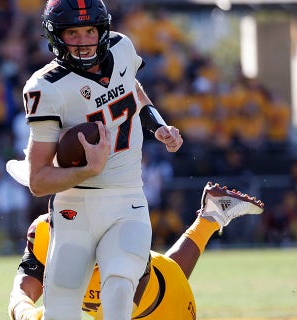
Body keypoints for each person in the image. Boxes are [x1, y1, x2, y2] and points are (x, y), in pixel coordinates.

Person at [19, 0, 183, 318]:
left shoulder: (121, 47)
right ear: (56, 36)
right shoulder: (45, 88)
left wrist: (157, 125)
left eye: (90, 30)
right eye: (73, 33)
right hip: (75, 207)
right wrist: (87, 169)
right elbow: (38, 181)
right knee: (62, 308)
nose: (84, 40)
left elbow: (131, 89)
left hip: (127, 199)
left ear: (102, 29)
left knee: (120, 286)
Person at [8, 182, 265, 320]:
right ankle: (212, 216)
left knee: (160, 279)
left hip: (162, 308)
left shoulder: (122, 228)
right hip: (127, 297)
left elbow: (124, 310)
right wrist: (28, 314)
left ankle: (211, 218)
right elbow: (20, 293)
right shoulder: (43, 231)